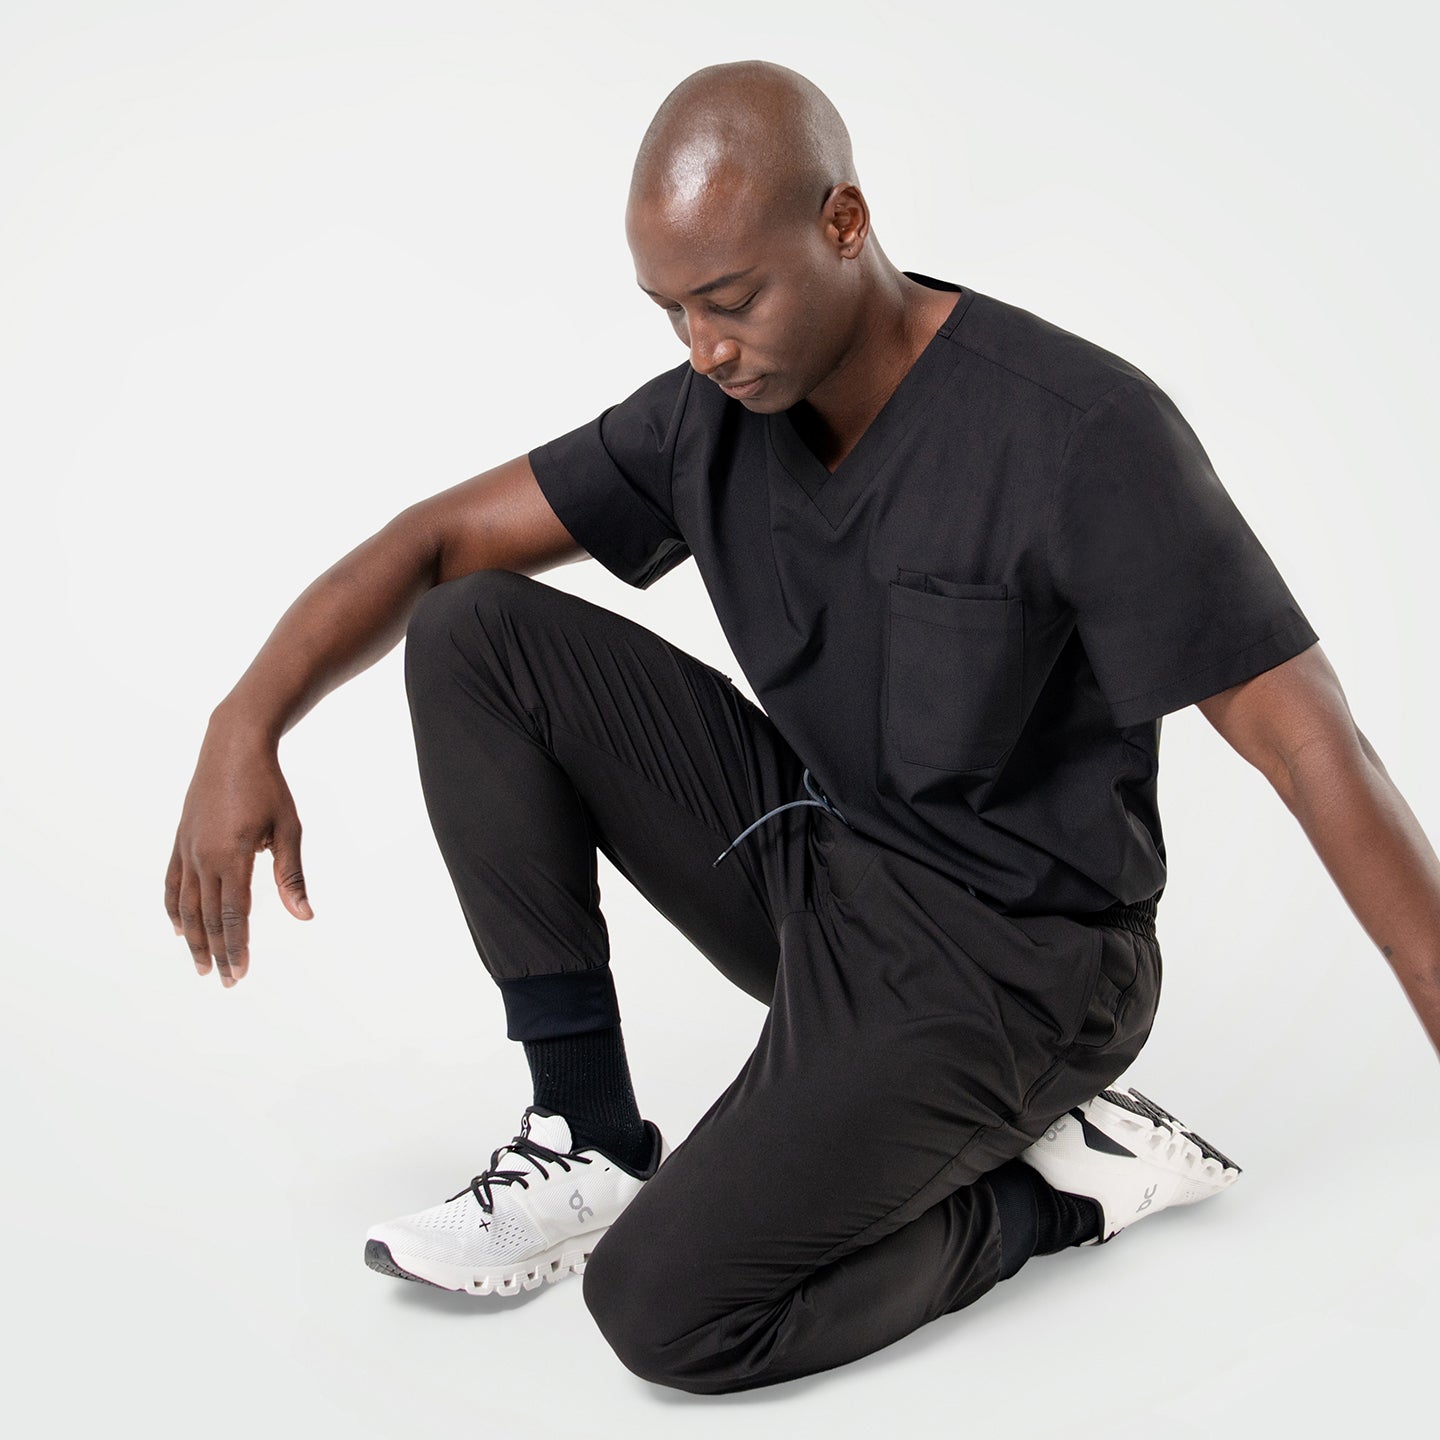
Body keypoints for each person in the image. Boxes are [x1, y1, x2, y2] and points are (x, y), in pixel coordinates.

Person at [165, 59, 1440, 1395]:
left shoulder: (1078, 433)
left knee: (665, 1312)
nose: (707, 349)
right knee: (478, 633)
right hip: (831, 867)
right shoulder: (716, 413)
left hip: (1017, 972)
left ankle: (1059, 1192)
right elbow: (437, 542)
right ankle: (588, 1132)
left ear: (845, 223)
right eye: (673, 316)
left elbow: (1310, 741)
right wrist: (242, 721)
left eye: (731, 301)